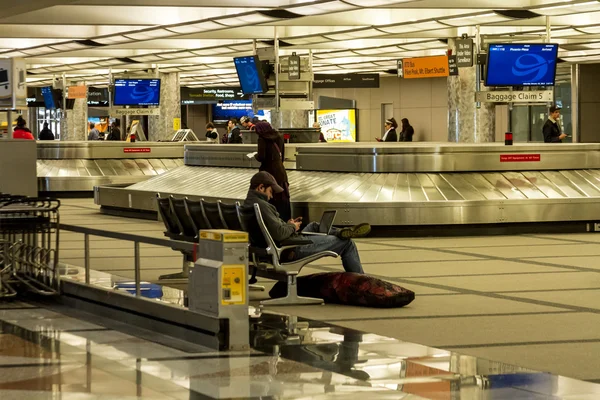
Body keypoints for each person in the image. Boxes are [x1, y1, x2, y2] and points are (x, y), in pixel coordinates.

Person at [242, 171, 371, 274]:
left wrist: (288, 224)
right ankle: (363, 282)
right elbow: (280, 234)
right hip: (291, 248)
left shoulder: (248, 204)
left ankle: (340, 232)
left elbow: (275, 231)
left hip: (282, 244)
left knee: (314, 226)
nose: (271, 196)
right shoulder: (262, 206)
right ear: (261, 187)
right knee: (347, 243)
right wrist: (292, 226)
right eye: (270, 191)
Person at [254, 121, 291, 221]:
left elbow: (262, 157)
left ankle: (273, 222)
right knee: (281, 197)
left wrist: (255, 156)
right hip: (280, 171)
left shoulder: (262, 139)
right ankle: (285, 221)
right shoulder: (279, 136)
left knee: (270, 197)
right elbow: (282, 154)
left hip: (268, 172)